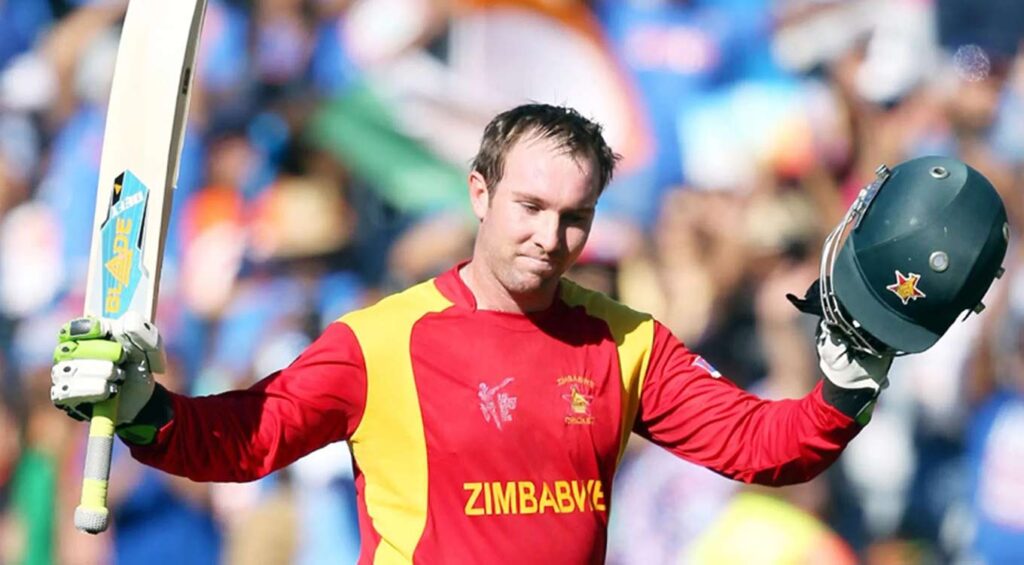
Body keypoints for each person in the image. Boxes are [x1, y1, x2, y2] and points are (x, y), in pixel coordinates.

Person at [50, 104, 890, 564]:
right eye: (530, 206)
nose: (550, 238)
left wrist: (846, 389)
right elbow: (243, 440)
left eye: (575, 217)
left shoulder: (626, 340)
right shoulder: (378, 340)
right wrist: (143, 408)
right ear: (480, 194)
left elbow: (762, 445)